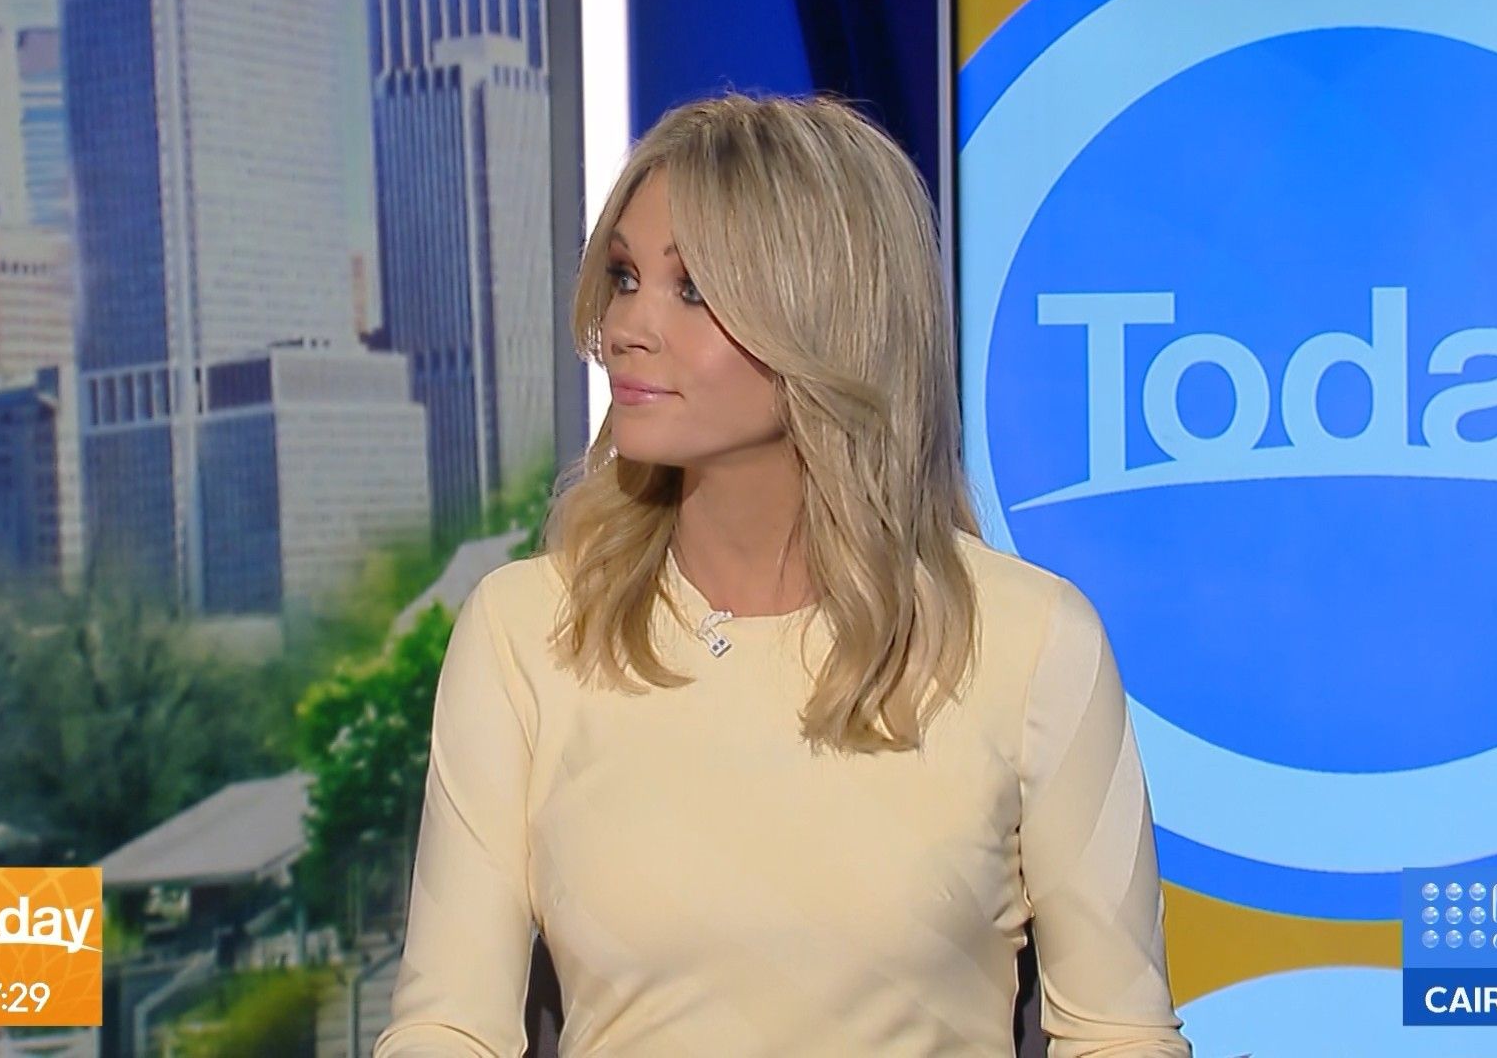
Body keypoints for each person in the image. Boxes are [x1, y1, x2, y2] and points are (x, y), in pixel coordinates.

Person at [372, 91, 1191, 1057]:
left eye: (692, 289)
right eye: (626, 277)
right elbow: (446, 1029)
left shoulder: (1028, 642)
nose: (627, 326)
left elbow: (1119, 1035)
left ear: (827, 319)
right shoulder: (527, 632)